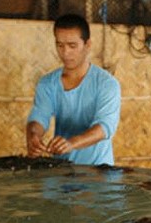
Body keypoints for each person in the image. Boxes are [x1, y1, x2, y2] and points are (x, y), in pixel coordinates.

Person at [26, 13, 121, 165]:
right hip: (61, 168)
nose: (65, 53)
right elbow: (39, 117)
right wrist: (33, 136)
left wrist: (72, 143)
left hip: (99, 170)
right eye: (60, 45)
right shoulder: (47, 83)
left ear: (87, 45)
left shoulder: (107, 84)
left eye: (72, 46)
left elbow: (105, 127)